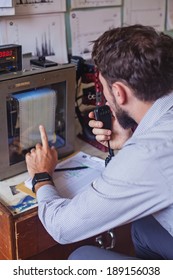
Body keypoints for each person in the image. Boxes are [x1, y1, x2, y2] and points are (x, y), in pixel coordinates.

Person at [25, 24, 173, 260]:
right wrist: (126, 144)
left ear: (119, 92)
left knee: (81, 258)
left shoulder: (147, 154)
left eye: (104, 89)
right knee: (145, 225)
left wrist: (41, 176)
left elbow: (62, 228)